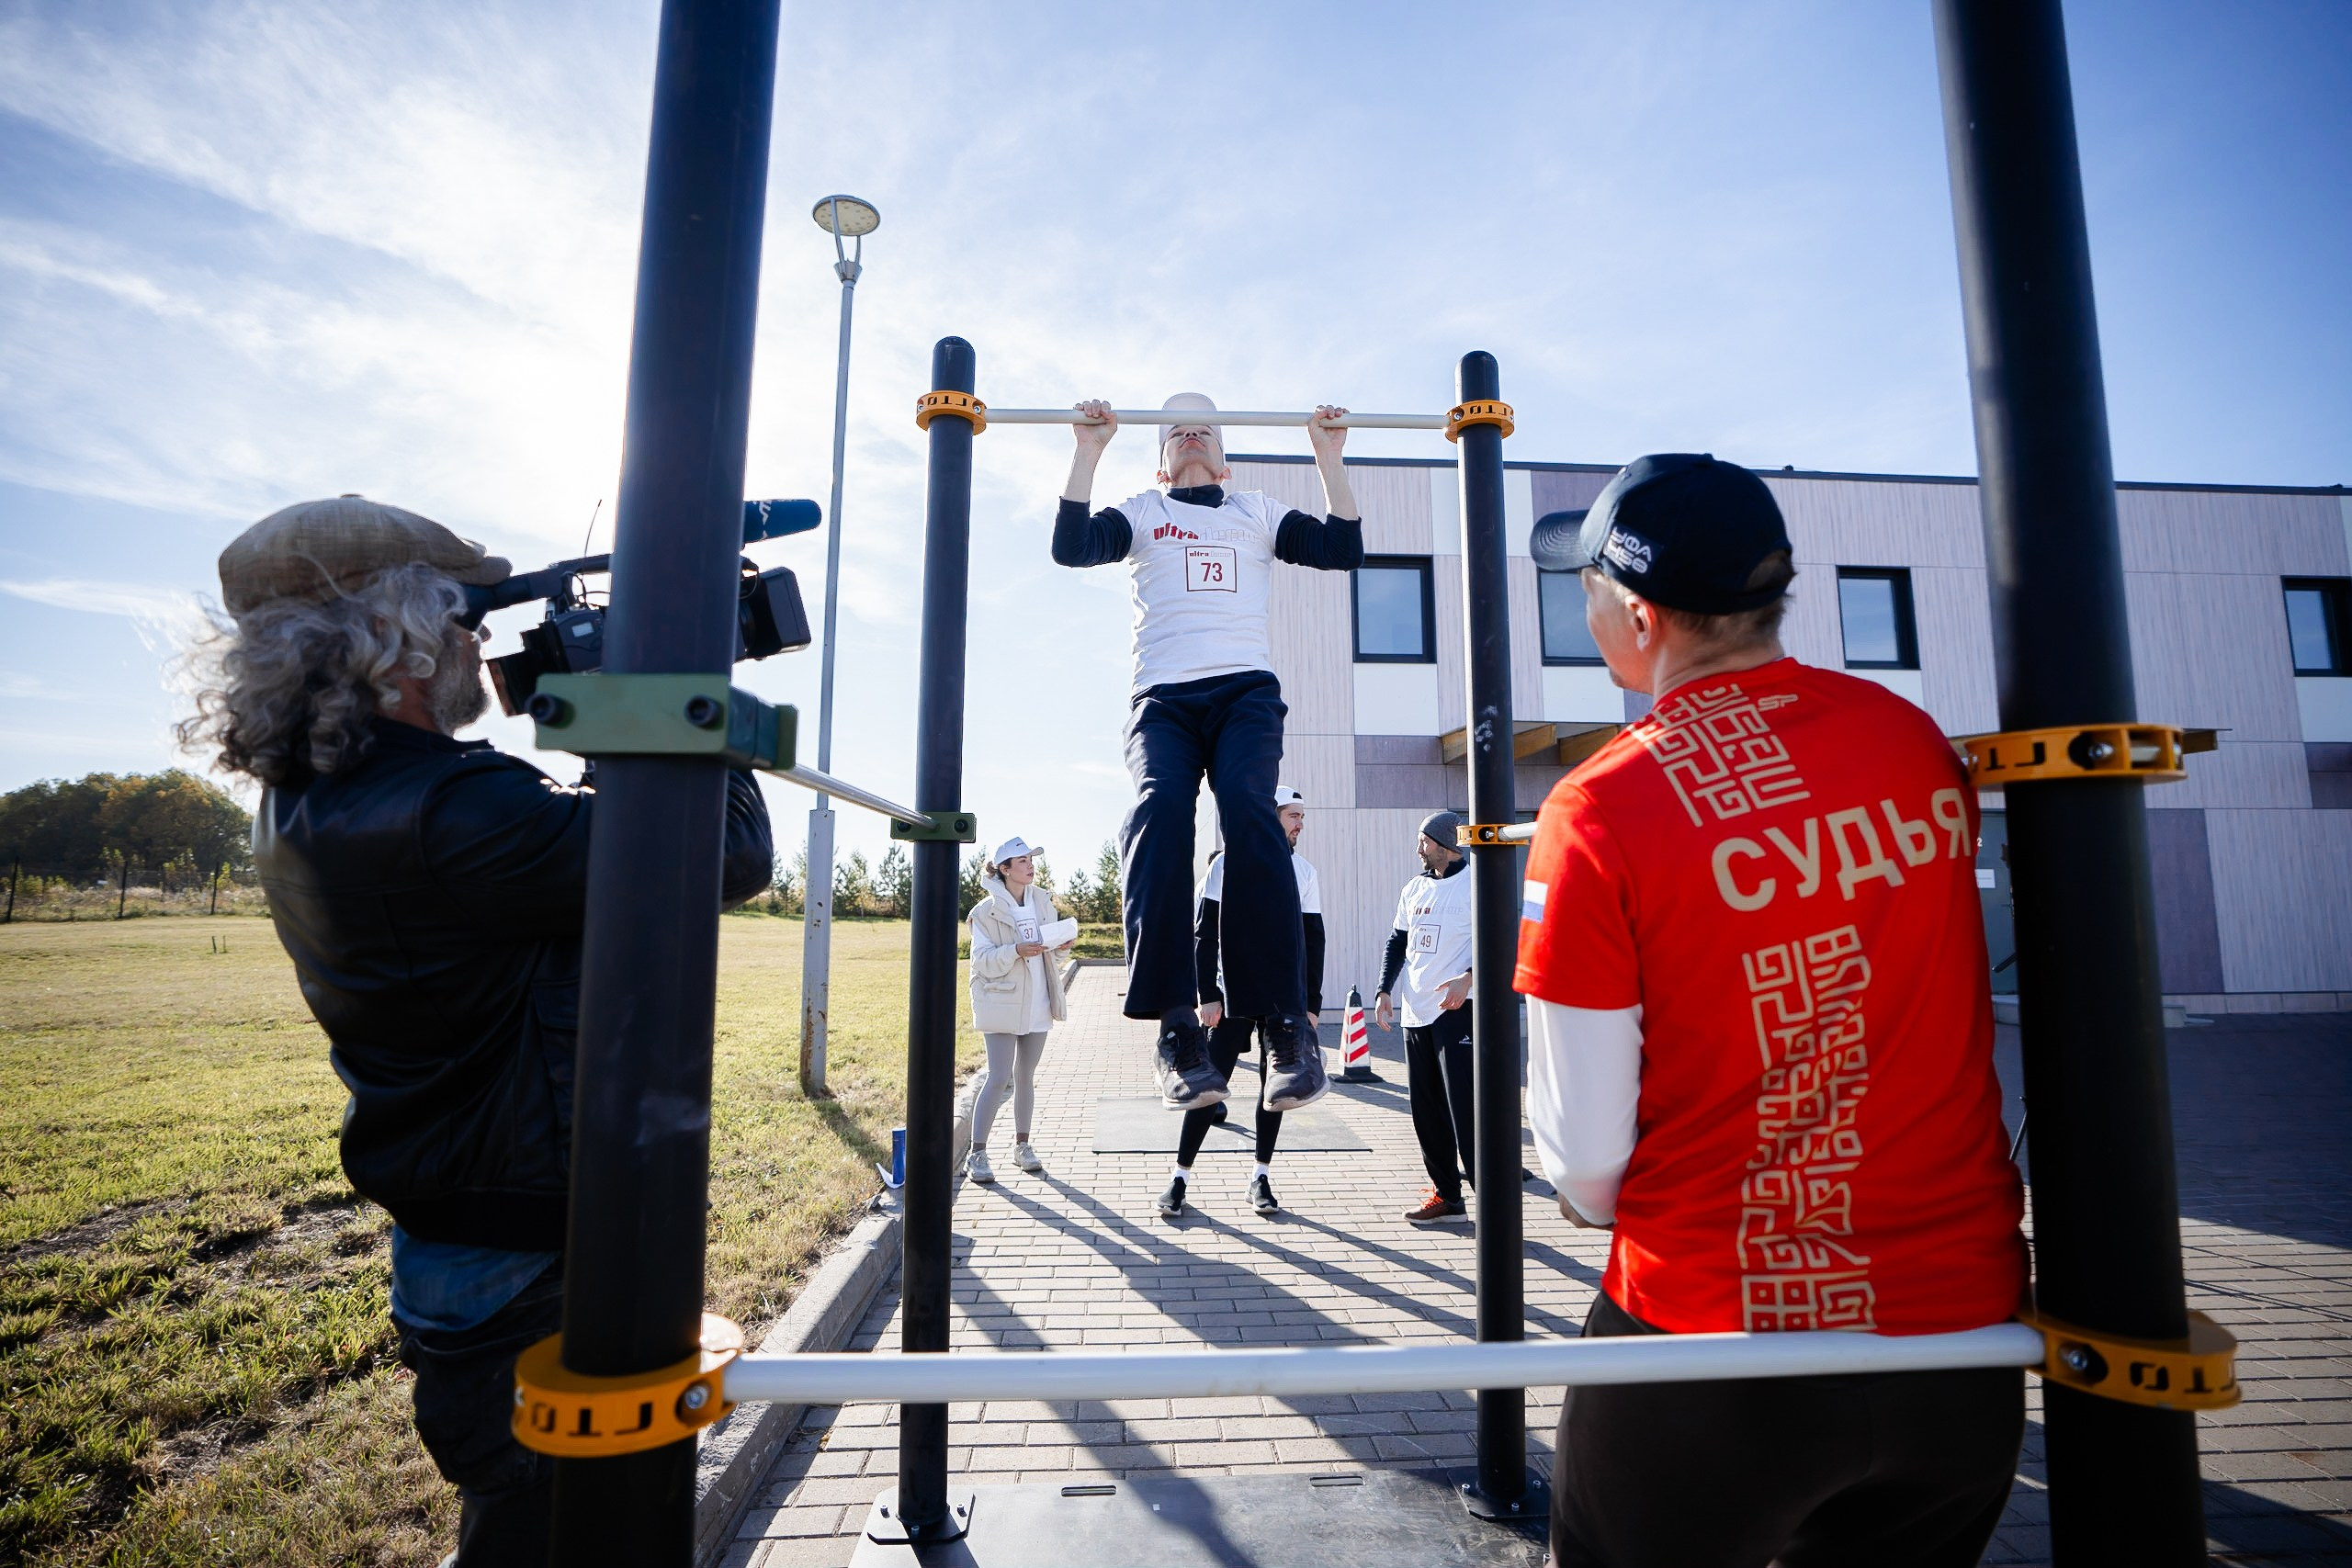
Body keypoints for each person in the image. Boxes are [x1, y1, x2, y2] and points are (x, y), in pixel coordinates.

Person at [178, 496, 775, 1566]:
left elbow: (587, 863)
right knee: (561, 1533)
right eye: (464, 620)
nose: (480, 645)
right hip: (526, 1263)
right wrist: (684, 690)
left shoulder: (315, 798)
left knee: (530, 1524)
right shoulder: (449, 810)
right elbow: (716, 858)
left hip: (461, 1228)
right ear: (395, 641)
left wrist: (605, 710)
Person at [1512, 455, 2028, 1568]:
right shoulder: (1910, 740)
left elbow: (1584, 1153)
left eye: (1585, 588)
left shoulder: (1601, 804)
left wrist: (1586, 1199)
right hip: (1962, 1336)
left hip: (1714, 1339)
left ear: (1637, 614)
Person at [1053, 393, 1363, 1114]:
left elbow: (1342, 550)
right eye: (1176, 434)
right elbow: (1071, 547)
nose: (1191, 437)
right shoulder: (1143, 512)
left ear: (1223, 457)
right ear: (1162, 463)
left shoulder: (1253, 511)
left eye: (1205, 432)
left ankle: (1286, 1026)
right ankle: (1176, 1029)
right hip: (1162, 701)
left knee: (1252, 813)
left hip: (1245, 695)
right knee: (1160, 811)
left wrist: (1329, 461)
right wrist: (1088, 453)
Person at [1159, 785, 1325, 1218]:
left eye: (1301, 817)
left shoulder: (1304, 872)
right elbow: (1204, 935)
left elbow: (1313, 939)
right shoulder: (1227, 865)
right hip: (1230, 996)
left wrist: (1311, 1002)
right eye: (1293, 816)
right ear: (1271, 817)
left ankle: (1261, 1177)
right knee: (1206, 1090)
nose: (1300, 824)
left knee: (1276, 1090)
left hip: (1280, 1000)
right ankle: (1179, 1179)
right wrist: (1208, 995)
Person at [1374, 810, 1479, 1224]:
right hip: (1415, 1015)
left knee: (1466, 1110)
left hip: (1457, 1011)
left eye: (1424, 841)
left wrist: (1467, 980)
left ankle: (1492, 1202)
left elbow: (1506, 941)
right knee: (1427, 1111)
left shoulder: (1475, 885)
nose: (1419, 848)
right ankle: (1447, 1197)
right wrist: (1385, 989)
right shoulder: (1414, 889)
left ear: (1445, 844)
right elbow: (1396, 942)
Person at [966, 835, 1074, 1182]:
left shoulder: (1043, 903)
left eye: (1031, 860)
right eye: (1023, 861)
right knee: (998, 1077)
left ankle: (1022, 1147)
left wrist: (1063, 947)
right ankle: (977, 1154)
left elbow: (1051, 956)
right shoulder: (985, 913)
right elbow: (982, 962)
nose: (1031, 866)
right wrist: (1015, 950)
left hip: (1039, 1003)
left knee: (1025, 1077)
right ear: (1005, 869)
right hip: (1002, 1001)